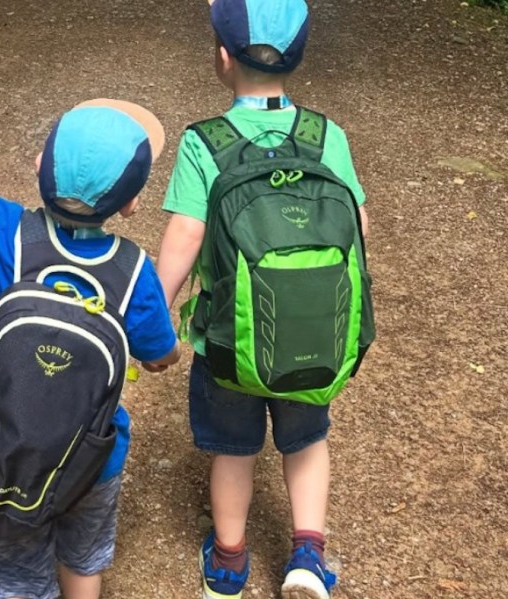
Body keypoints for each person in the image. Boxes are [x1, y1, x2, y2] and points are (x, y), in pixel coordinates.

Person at [0, 64, 181, 599]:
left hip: (6, 445)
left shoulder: (5, 231)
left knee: (15, 573)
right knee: (83, 559)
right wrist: (165, 358)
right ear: (130, 202)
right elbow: (159, 354)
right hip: (93, 457)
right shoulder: (134, 271)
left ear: (37, 166)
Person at [155, 1, 370, 598]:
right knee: (307, 441)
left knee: (233, 450)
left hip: (228, 342)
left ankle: (228, 562)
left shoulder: (205, 143)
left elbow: (184, 238)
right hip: (315, 337)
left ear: (221, 58)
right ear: (299, 56)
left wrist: (149, 314)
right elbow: (358, 227)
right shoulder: (326, 136)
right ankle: (308, 555)